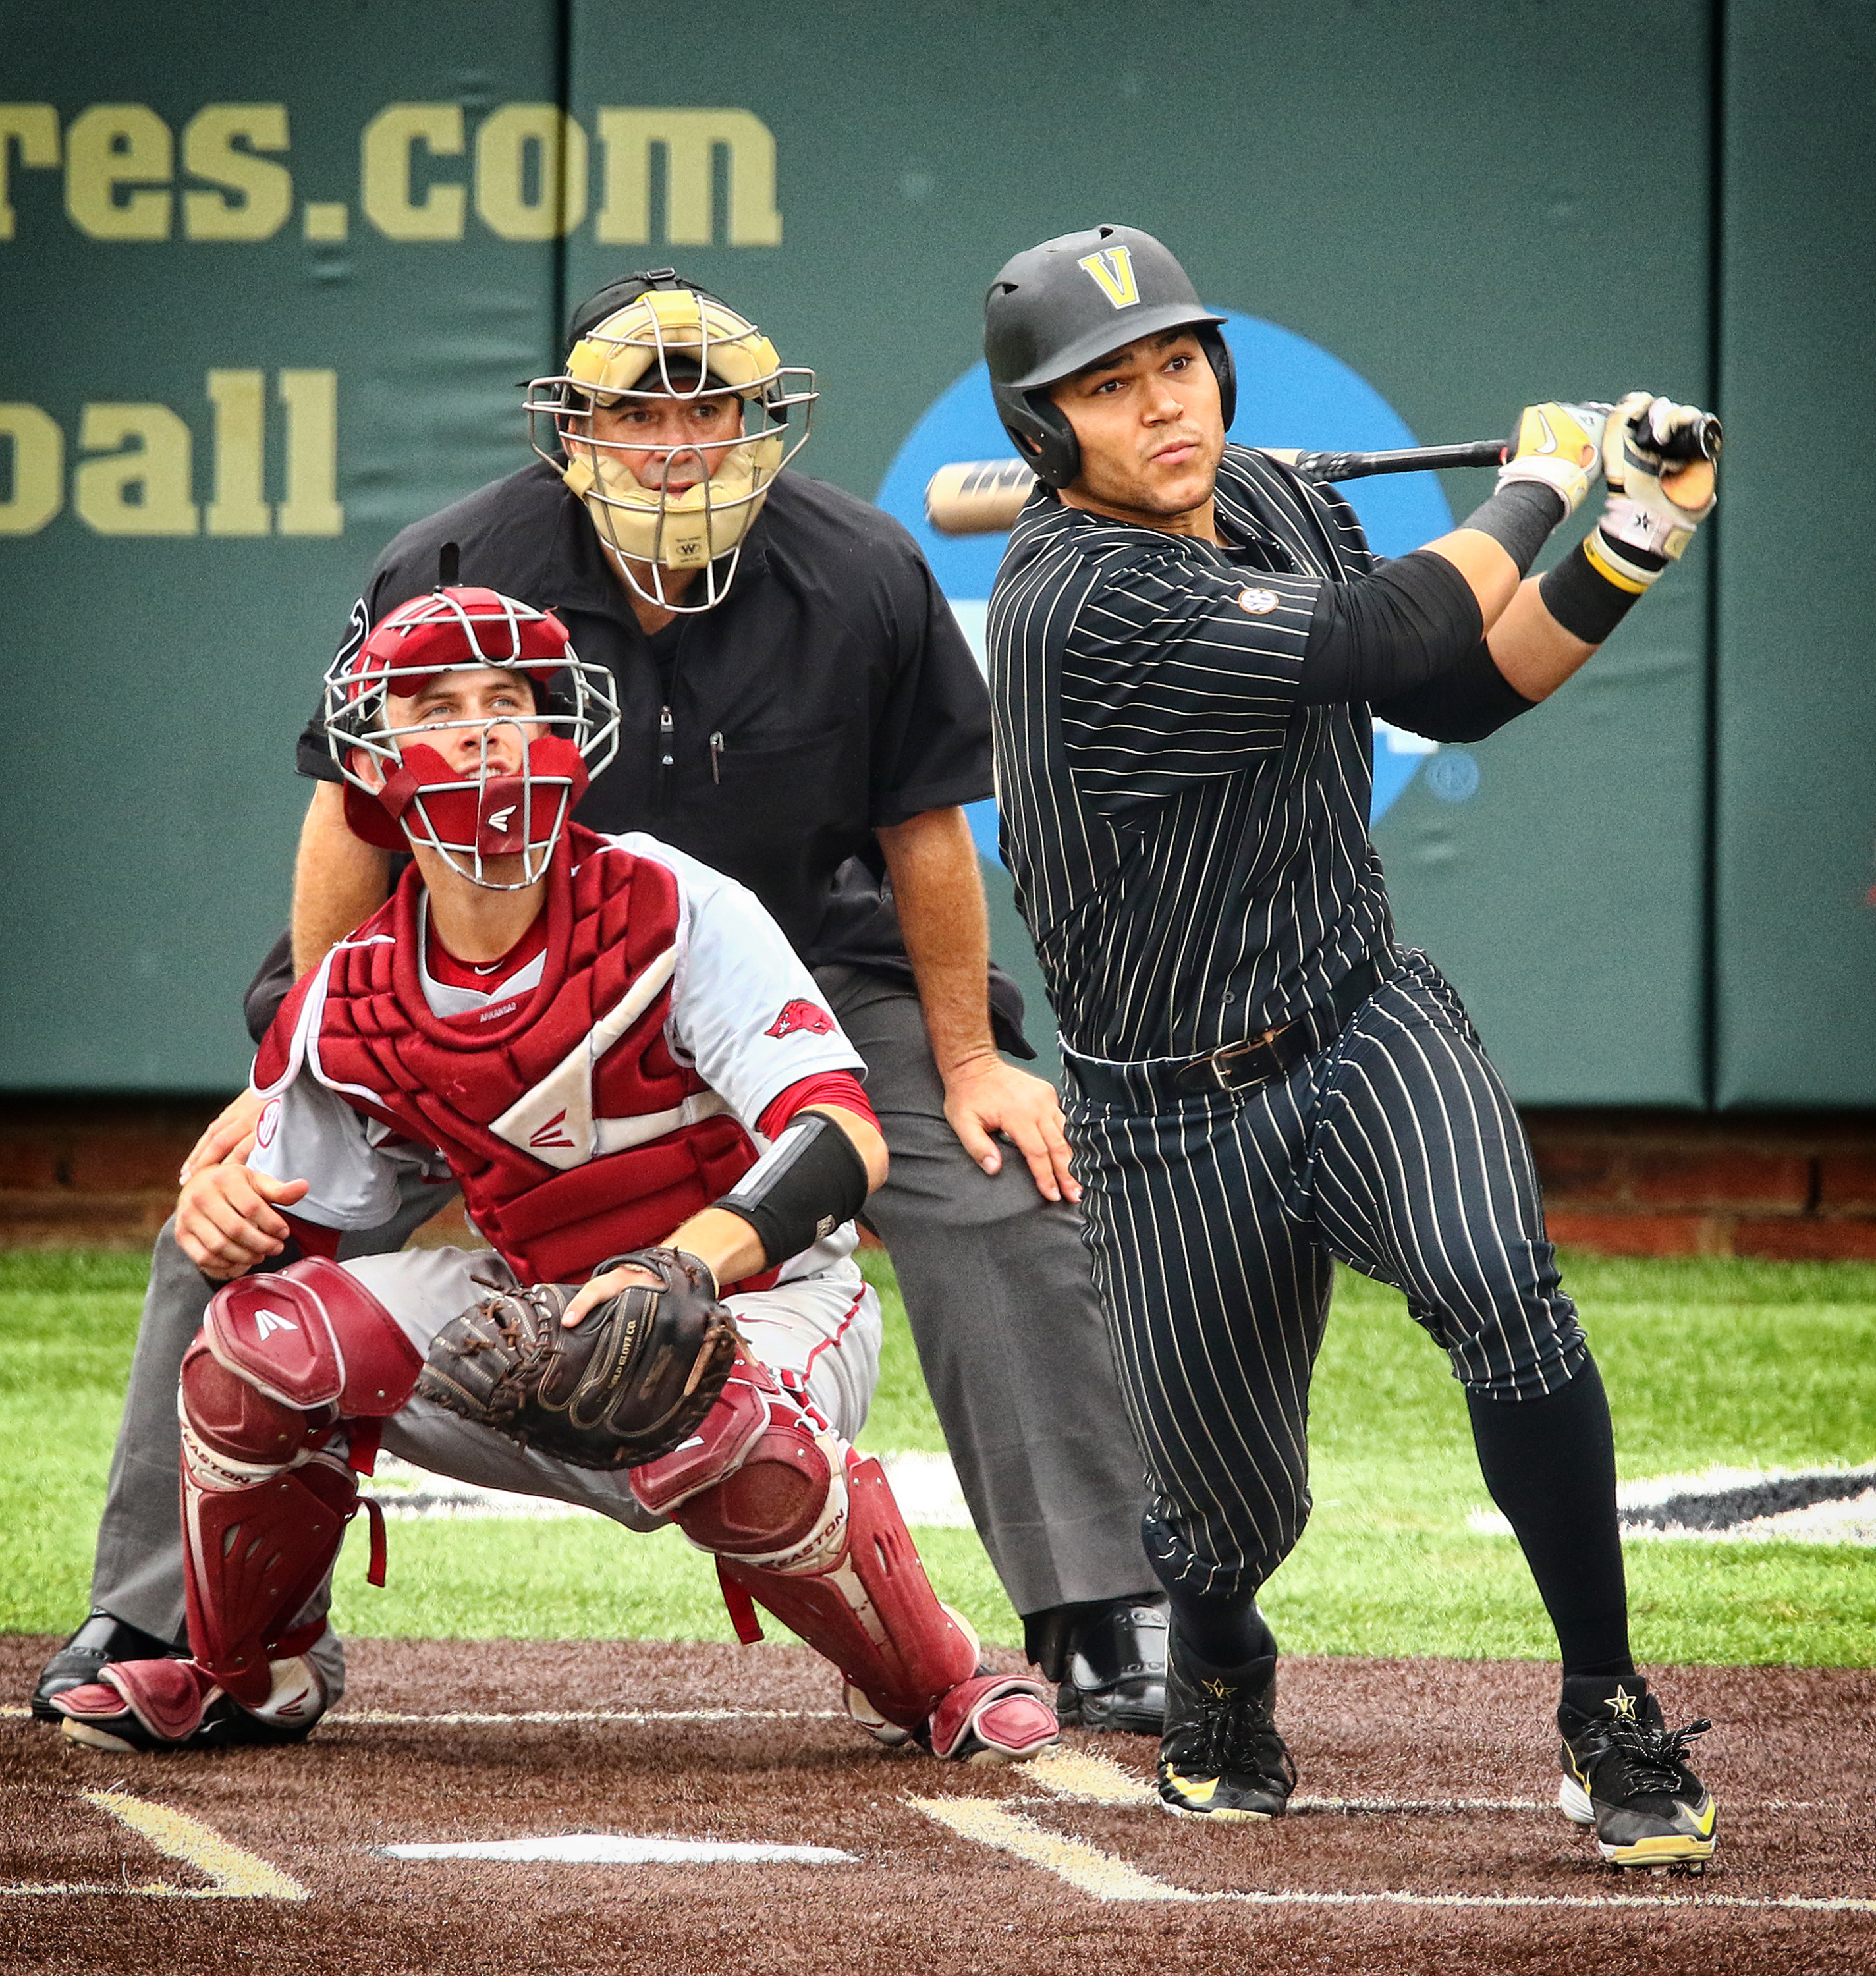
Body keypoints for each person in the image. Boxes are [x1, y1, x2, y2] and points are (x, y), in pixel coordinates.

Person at [33, 272, 1165, 1741]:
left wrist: (964, 1057)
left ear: (766, 423)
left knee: (996, 1179)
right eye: (639, 408)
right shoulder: (452, 559)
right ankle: (161, 1610)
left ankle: (1095, 1607)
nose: (678, 442)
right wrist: (285, 1068)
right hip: (479, 971)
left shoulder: (865, 569)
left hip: (791, 966)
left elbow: (923, 833)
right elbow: (347, 818)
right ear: (571, 432)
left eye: (712, 406)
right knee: (236, 1211)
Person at [981, 223, 1719, 1869]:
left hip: (1354, 1016)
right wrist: (1533, 484)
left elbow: (1451, 686)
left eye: (1177, 364)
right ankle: (1224, 1660)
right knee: (1232, 1515)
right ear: (1045, 432)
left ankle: (1604, 1707)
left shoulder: (1265, 499)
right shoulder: (1070, 607)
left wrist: (1627, 535)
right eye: (1107, 388)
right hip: (1163, 1111)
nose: (1164, 405)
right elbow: (1386, 634)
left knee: (1501, 1290)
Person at [50, 585, 1061, 1767]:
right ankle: (247, 1673)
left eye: (511, 703)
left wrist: (678, 1267)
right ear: (375, 765)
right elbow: (297, 1227)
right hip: (533, 1321)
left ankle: (933, 1682)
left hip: (759, 1299)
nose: (485, 731)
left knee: (726, 1424)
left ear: (562, 736)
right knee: (259, 1342)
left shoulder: (671, 902)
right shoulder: (355, 992)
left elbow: (843, 1138)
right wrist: (227, 1217)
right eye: (440, 708)